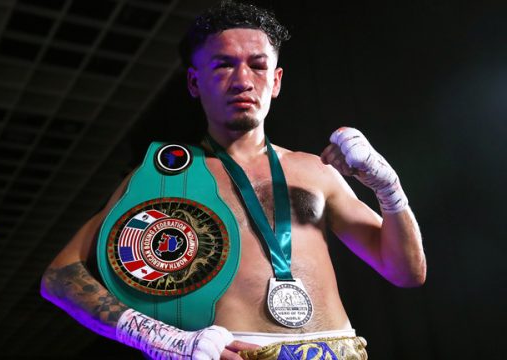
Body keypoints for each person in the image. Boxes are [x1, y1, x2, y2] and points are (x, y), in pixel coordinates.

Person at [40, 1, 426, 359]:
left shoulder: (316, 170)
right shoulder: (164, 178)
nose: (243, 80)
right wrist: (162, 340)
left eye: (257, 66)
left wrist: (388, 189)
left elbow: (406, 272)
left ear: (275, 81)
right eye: (223, 65)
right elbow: (59, 276)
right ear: (194, 83)